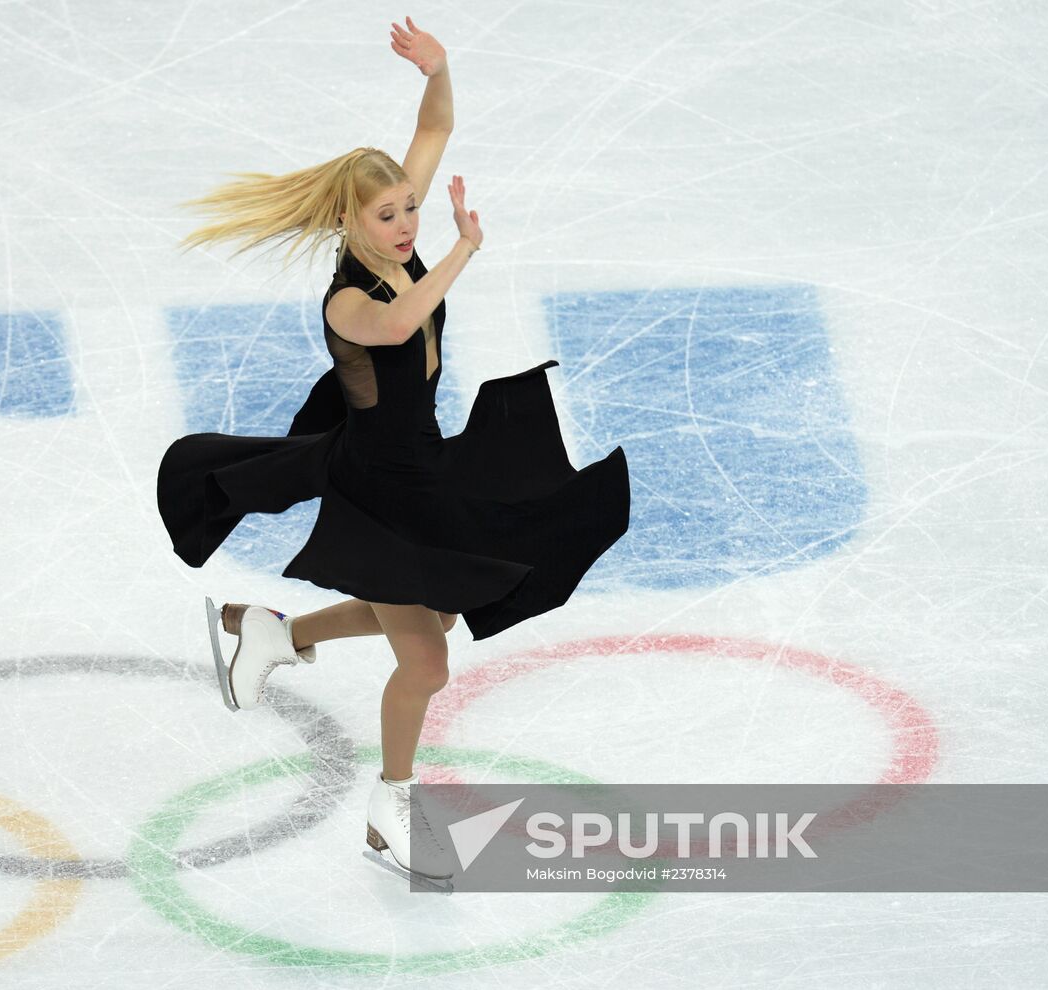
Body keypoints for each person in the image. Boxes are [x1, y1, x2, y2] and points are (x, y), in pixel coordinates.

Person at [156, 16, 629, 888]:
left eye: (410, 206)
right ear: (351, 220)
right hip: (375, 489)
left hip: (422, 462)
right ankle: (393, 805)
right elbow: (404, 322)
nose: (408, 220)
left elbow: (435, 128)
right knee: (427, 658)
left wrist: (439, 69)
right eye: (390, 212)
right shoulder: (348, 298)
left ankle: (272, 632)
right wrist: (465, 248)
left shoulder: (393, 229)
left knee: (438, 609)